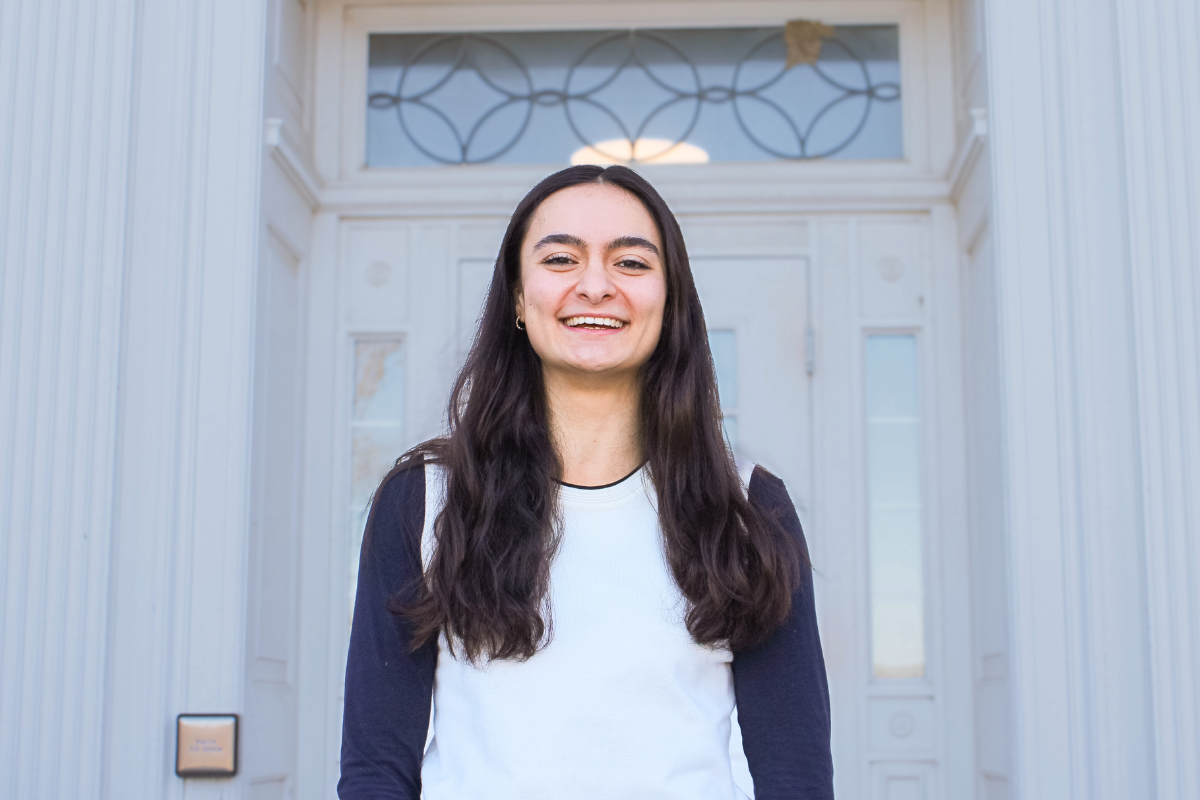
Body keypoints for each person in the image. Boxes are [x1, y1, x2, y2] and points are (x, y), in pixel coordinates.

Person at [338, 165, 834, 800]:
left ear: (670, 299)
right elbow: (377, 766)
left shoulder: (747, 509)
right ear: (518, 298)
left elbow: (795, 774)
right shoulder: (427, 500)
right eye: (561, 258)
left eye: (631, 263)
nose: (595, 286)